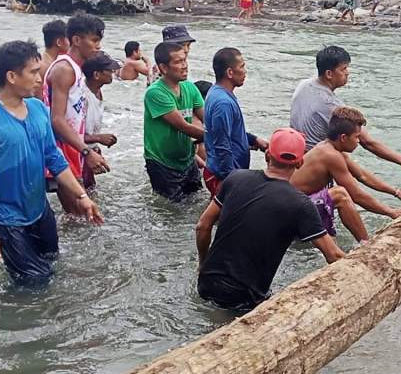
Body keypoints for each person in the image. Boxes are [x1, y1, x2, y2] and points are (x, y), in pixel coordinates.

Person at [0, 40, 103, 287]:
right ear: (11, 76)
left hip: (39, 210)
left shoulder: (38, 108)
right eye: (33, 72)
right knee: (33, 285)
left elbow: (54, 157)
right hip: (6, 220)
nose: (40, 78)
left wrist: (81, 196)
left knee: (52, 266)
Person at [195, 128, 344, 311]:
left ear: (267, 155)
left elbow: (203, 225)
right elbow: (334, 255)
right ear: (300, 162)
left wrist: (203, 264)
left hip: (206, 284)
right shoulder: (301, 205)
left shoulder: (235, 178)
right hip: (245, 297)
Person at [290, 46, 401, 181]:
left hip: (294, 159)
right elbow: (367, 142)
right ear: (329, 74)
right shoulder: (331, 105)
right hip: (315, 165)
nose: (347, 72)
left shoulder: (304, 84)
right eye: (343, 69)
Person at [291, 106, 401, 243]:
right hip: (291, 212)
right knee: (340, 195)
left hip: (299, 205)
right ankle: (366, 244)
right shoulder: (330, 155)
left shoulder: (332, 149)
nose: (359, 141)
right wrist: (391, 212)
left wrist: (397, 192)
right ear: (343, 138)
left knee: (339, 194)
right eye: (356, 137)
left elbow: (362, 175)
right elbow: (357, 196)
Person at [43, 14, 109, 213]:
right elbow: (57, 119)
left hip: (72, 149)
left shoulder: (76, 69)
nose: (98, 46)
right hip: (62, 151)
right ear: (77, 40)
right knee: (80, 215)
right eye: (94, 40)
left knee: (78, 218)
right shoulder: (64, 69)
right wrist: (86, 151)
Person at [143, 41, 206, 202]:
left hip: (187, 159)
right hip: (162, 163)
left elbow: (208, 118)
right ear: (163, 68)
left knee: (196, 200)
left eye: (185, 60)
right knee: (171, 211)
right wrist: (218, 136)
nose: (185, 66)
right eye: (178, 62)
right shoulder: (155, 93)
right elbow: (183, 127)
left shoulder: (190, 88)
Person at [203, 47, 269, 197]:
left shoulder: (217, 92)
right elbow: (222, 145)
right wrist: (231, 181)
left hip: (223, 172)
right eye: (242, 66)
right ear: (230, 73)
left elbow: (229, 131)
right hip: (222, 176)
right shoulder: (223, 103)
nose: (245, 71)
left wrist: (254, 140)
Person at [81, 52, 120, 192]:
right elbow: (68, 133)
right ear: (97, 75)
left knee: (90, 191)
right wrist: (98, 138)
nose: (113, 73)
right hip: (80, 152)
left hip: (89, 150)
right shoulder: (82, 97)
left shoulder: (97, 90)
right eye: (109, 71)